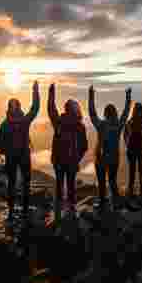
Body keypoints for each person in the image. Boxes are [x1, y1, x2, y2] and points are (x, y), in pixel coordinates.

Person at [0, 81, 40, 227]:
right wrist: (35, 91)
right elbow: (35, 109)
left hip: (11, 157)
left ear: (8, 108)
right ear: (19, 108)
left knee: (11, 184)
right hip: (23, 155)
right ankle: (25, 210)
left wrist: (7, 151)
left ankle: (10, 211)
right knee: (26, 182)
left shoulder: (5, 123)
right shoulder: (24, 121)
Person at [48, 83, 88, 225]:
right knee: (69, 185)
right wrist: (77, 157)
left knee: (60, 185)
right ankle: (70, 211)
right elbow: (84, 146)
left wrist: (51, 94)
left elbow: (51, 111)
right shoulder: (78, 125)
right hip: (68, 160)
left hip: (60, 160)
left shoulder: (60, 122)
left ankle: (59, 213)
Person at [88, 86, 131, 212]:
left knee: (102, 183)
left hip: (100, 158)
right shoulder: (118, 125)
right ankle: (115, 204)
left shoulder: (101, 125)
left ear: (105, 113)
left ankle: (102, 204)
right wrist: (128, 97)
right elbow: (126, 112)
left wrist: (91, 96)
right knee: (112, 181)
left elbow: (92, 113)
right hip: (114, 158)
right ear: (115, 113)